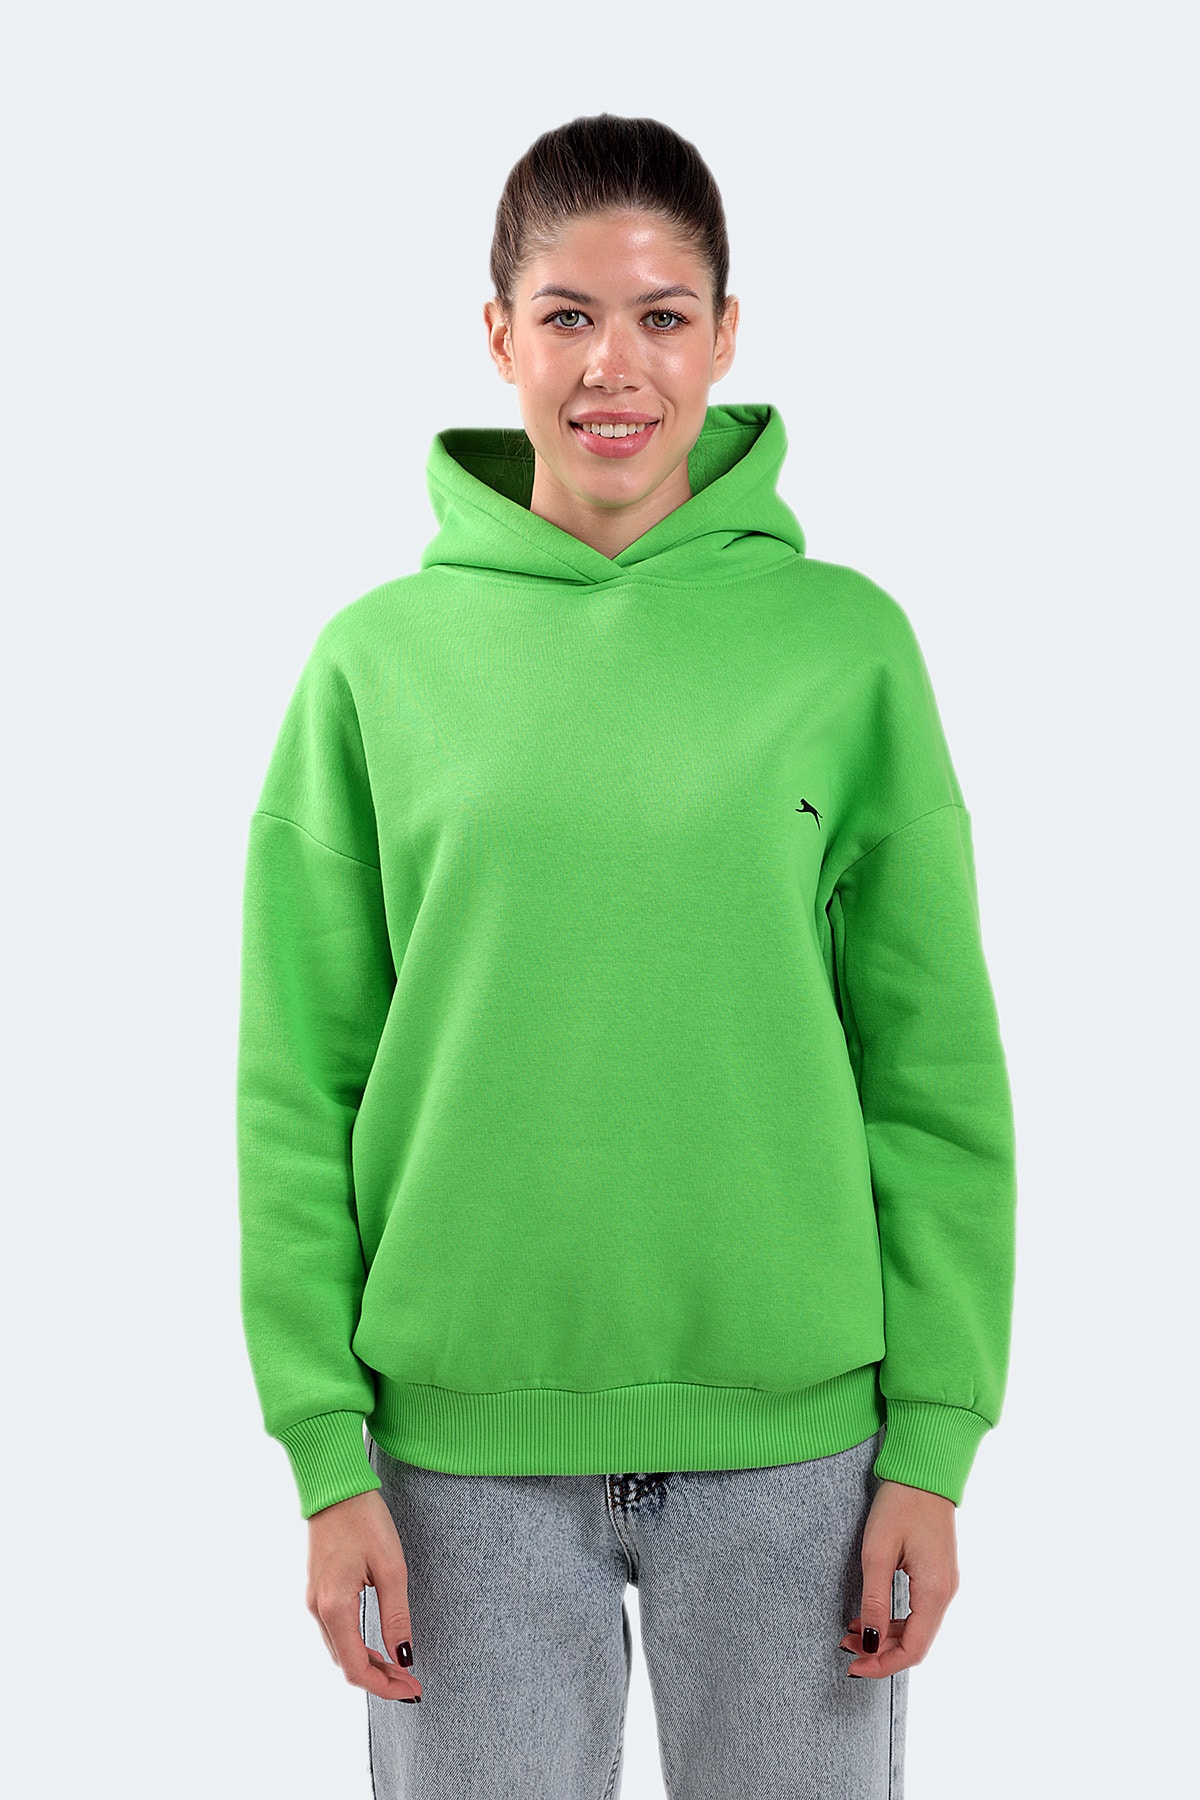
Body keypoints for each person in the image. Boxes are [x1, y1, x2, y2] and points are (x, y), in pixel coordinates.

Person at [236, 113, 1017, 1799]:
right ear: (498, 334)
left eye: (662, 315)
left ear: (725, 336)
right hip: (455, 1465)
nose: (615, 365)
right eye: (568, 314)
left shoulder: (846, 648)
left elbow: (933, 1073)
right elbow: (300, 1084)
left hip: (800, 1457)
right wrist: (324, 1453)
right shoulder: (374, 665)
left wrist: (936, 1444)